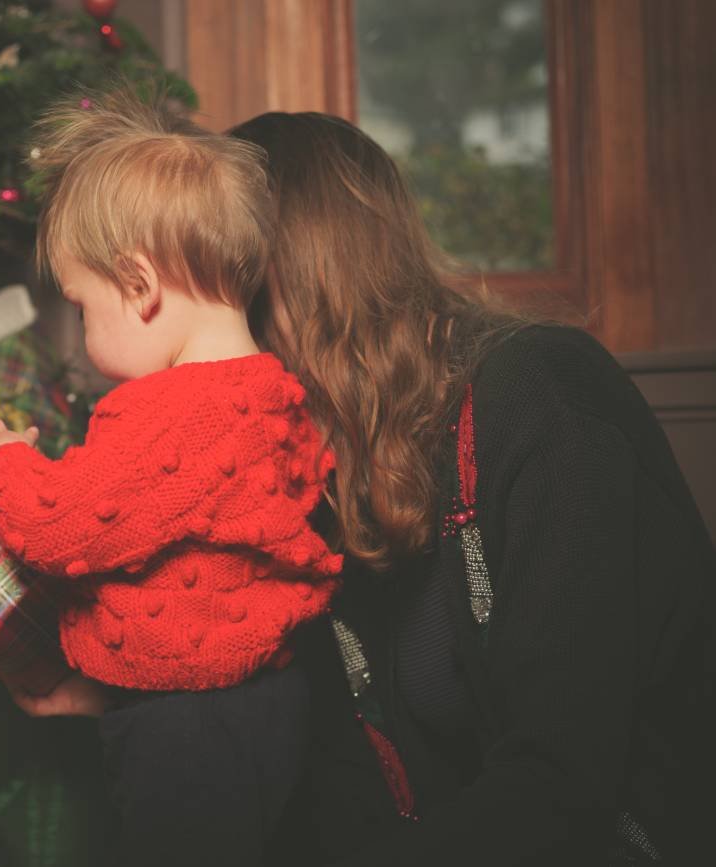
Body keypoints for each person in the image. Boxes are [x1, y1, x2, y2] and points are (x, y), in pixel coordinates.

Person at [225, 111, 716, 866]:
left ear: (291, 283)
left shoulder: (543, 395)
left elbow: (565, 782)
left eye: (217, 299)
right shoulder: (309, 465)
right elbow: (337, 788)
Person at [0, 90, 343, 867]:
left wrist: (0, 459)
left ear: (139, 286)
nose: (87, 333)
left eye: (83, 307)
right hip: (268, 702)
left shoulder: (164, 412)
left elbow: (59, 526)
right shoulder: (275, 392)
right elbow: (186, 572)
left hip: (187, 731)